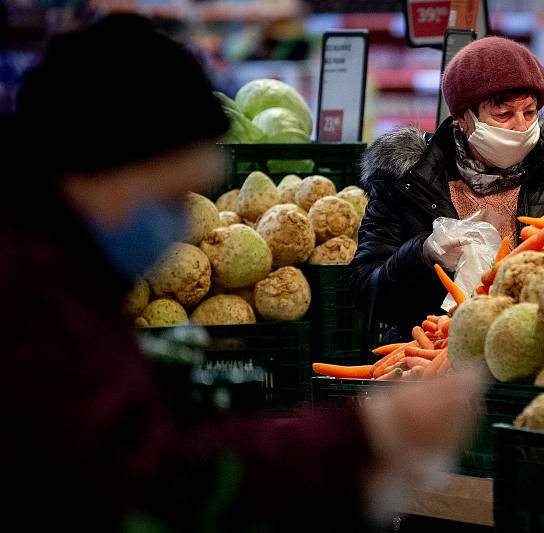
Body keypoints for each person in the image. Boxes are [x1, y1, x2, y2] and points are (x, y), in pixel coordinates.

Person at [0, 15, 482, 530]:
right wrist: (366, 436)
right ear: (92, 164)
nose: (181, 223)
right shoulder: (27, 302)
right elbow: (149, 479)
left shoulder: (67, 278)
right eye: (168, 198)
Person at [350, 36, 544, 343]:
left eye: (529, 112)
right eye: (503, 115)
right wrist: (422, 253)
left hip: (540, 340)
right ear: (463, 119)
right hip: (434, 352)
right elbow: (365, 290)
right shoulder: (406, 178)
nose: (521, 126)